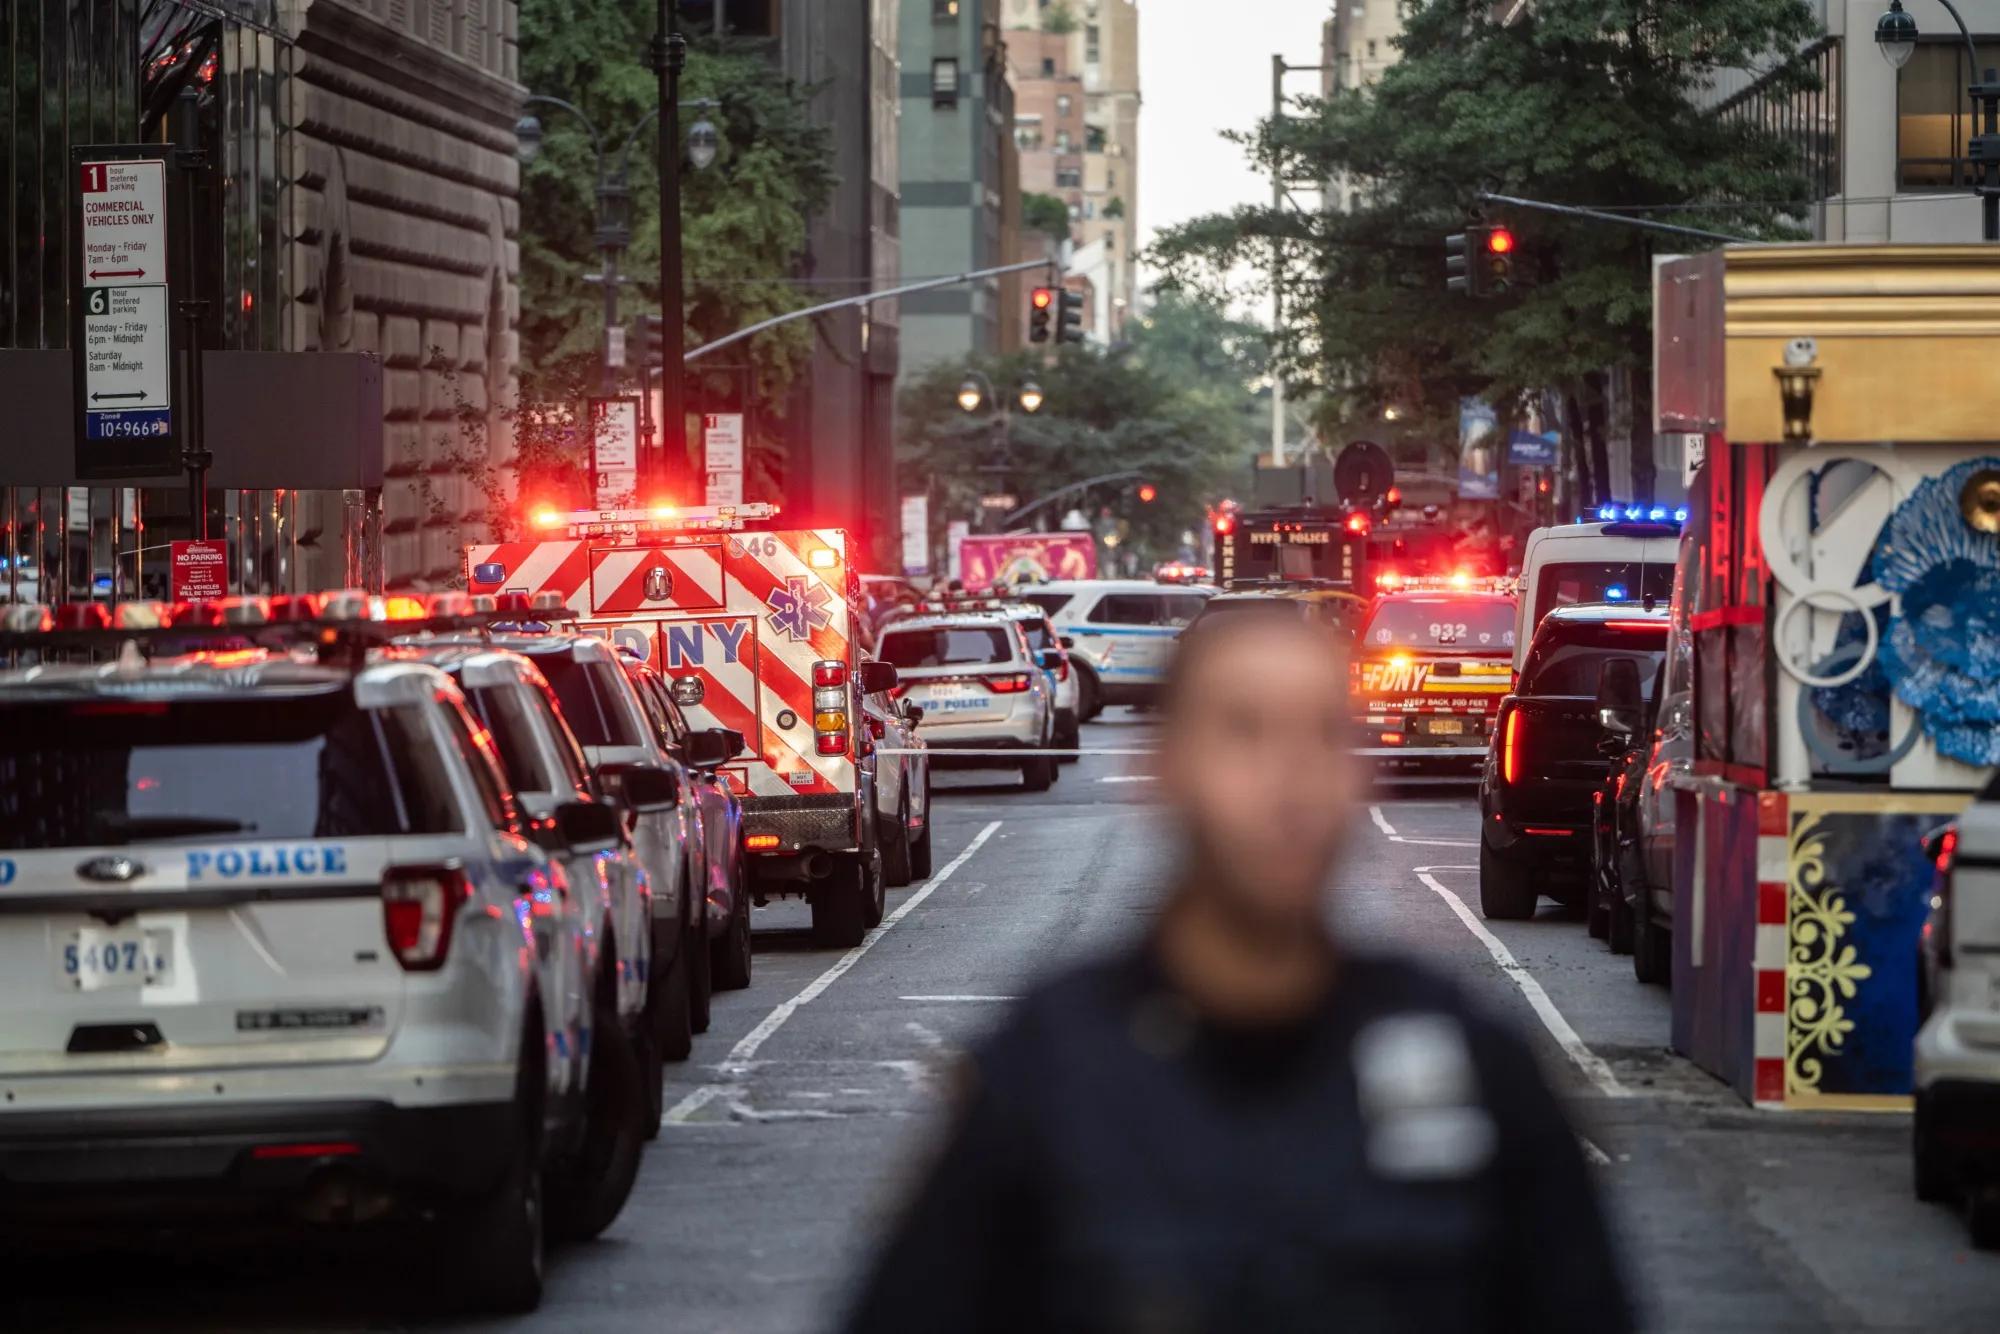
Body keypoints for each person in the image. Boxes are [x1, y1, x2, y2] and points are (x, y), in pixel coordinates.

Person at [842, 603, 1634, 1333]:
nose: (1289, 781)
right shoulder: (1046, 1075)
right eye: (1244, 732)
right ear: (1164, 770)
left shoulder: (1473, 1070)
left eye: (1322, 733)